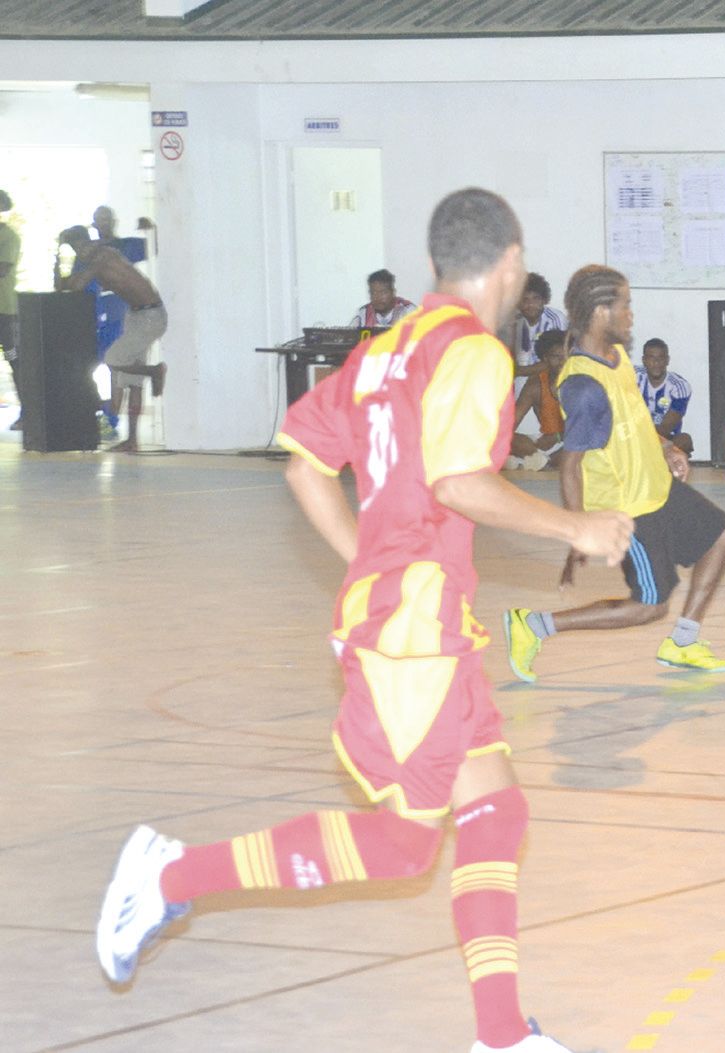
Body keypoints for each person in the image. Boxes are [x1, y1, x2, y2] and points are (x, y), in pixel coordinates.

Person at [95, 187, 634, 1053]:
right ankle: (171, 875)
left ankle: (502, 1035)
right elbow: (459, 480)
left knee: (495, 809)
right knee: (398, 848)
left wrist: (370, 560)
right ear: (510, 263)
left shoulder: (388, 349)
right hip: (413, 634)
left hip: (419, 620)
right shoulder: (470, 352)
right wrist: (578, 527)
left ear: (431, 267)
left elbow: (305, 461)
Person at [504, 265, 725, 680]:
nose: (631, 313)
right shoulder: (582, 385)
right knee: (650, 605)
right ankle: (534, 625)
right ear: (600, 313)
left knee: (723, 535)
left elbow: (635, 417)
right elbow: (570, 466)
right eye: (624, 305)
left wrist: (666, 448)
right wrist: (576, 531)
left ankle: (683, 642)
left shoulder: (614, 358)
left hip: (657, 486)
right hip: (628, 509)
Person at [56, 225, 166, 452]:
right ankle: (132, 440)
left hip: (149, 315)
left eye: (76, 249)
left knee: (112, 359)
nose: (78, 256)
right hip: (136, 315)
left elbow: (76, 285)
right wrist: (56, 262)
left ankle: (155, 371)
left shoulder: (102, 256)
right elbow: (63, 287)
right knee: (132, 382)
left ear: (83, 244)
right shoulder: (93, 259)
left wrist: (66, 267)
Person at [88, 206, 155, 437]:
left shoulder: (126, 246)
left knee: (118, 370)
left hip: (122, 319)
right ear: (94, 224)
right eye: (99, 220)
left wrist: (152, 228)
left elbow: (157, 244)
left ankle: (111, 420)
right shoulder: (88, 253)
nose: (104, 223)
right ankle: (100, 410)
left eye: (107, 219)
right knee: (85, 367)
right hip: (95, 321)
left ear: (114, 221)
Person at [507, 329, 567, 470]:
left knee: (583, 451)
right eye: (555, 357)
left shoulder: (579, 382)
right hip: (541, 442)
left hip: (567, 442)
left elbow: (586, 426)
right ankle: (542, 461)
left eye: (565, 356)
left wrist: (558, 437)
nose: (561, 362)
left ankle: (534, 462)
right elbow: (513, 422)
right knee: (504, 436)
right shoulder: (535, 385)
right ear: (545, 358)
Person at [635, 337, 694, 456]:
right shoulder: (633, 376)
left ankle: (655, 458)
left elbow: (666, 428)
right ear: (644, 360)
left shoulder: (679, 386)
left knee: (685, 440)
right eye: (651, 358)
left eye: (660, 358)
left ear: (667, 360)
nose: (656, 363)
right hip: (636, 436)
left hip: (664, 439)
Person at [504, 272, 567, 373]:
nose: (530, 304)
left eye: (536, 298)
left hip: (547, 378)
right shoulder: (513, 320)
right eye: (525, 299)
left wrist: (518, 372)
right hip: (517, 379)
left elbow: (557, 361)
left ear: (544, 300)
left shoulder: (555, 319)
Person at [0, 191, 19, 429]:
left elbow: (2, 268)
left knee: (15, 360)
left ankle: (28, 414)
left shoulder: (9, 237)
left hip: (5, 312)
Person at [349, 268, 418, 327]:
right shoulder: (363, 314)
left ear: (393, 292)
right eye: (373, 293)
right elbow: (348, 338)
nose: (377, 297)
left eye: (383, 292)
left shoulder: (408, 311)